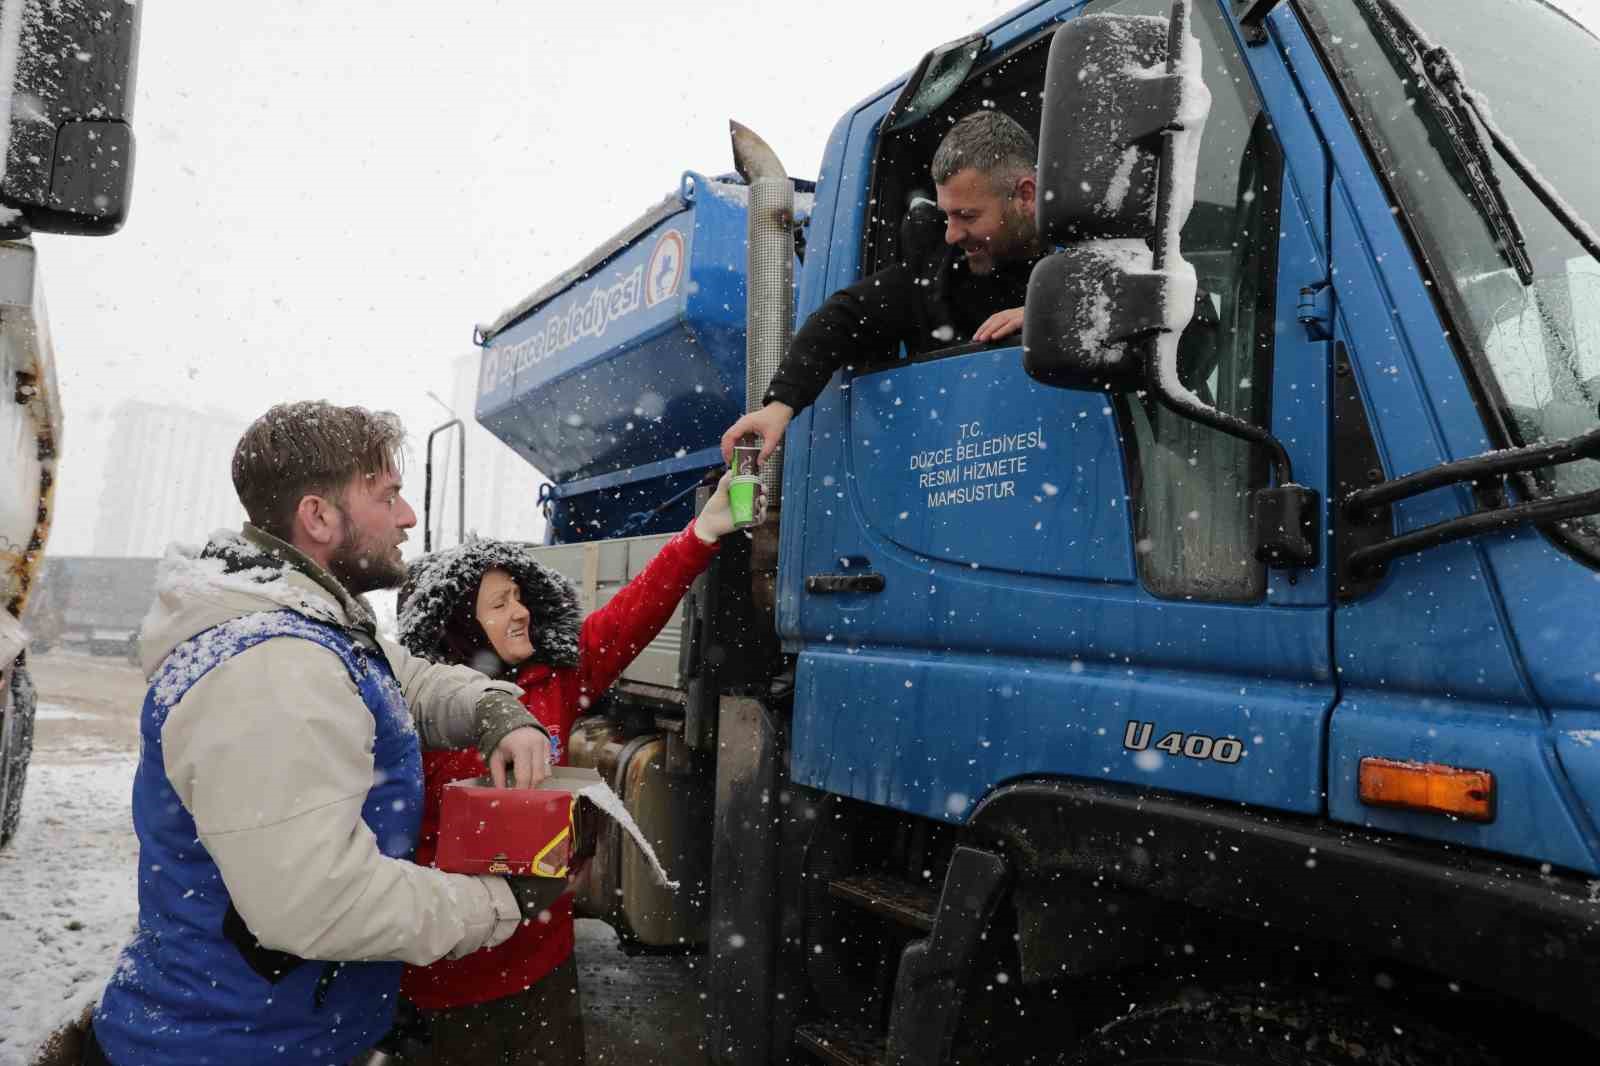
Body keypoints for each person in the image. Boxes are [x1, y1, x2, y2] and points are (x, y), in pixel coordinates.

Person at [87, 402, 566, 1066]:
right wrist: (499, 902)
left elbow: (400, 679)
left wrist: (490, 709)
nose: (407, 517)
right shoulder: (271, 668)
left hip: (275, 1031)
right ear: (317, 517)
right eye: (387, 497)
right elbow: (321, 901)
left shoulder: (306, 622)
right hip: (237, 1047)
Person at [390, 471, 748, 1066]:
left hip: (545, 966)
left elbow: (633, 614)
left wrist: (703, 533)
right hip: (449, 983)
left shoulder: (552, 680)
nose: (521, 613)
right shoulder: (413, 718)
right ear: (457, 625)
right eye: (499, 604)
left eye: (520, 596)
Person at [722, 109, 1043, 463]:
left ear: (1026, 196)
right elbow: (843, 317)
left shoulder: (1083, 258)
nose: (952, 234)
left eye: (967, 216)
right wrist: (778, 407)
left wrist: (1048, 312)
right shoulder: (936, 272)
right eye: (947, 215)